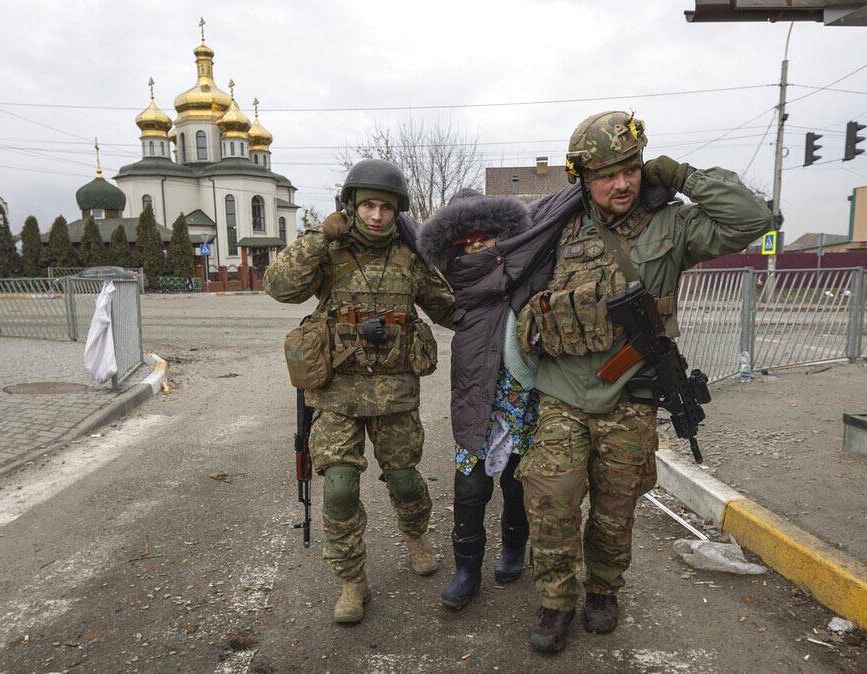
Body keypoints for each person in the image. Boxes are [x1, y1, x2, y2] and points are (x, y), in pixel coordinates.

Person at [515, 111, 775, 653]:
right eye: (607, 173)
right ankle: (555, 600)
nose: (622, 183)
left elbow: (752, 218)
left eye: (631, 169)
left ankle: (604, 590)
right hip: (561, 392)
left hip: (630, 393)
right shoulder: (555, 225)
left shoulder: (672, 225)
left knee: (616, 507)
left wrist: (681, 175)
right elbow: (506, 284)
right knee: (551, 503)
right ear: (583, 178)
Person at [263, 159, 455, 625]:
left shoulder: (410, 257)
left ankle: (415, 536)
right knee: (341, 488)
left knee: (406, 480)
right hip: (337, 395)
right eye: (367, 205)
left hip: (394, 395)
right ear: (350, 206)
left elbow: (450, 308)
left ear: (397, 212)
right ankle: (352, 580)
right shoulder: (329, 252)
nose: (375, 216)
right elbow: (278, 287)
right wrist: (317, 237)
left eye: (385, 208)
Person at [418, 188, 578, 609]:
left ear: (501, 235)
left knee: (515, 483)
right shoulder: (459, 291)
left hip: (523, 403)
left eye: (483, 239)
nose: (475, 249)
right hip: (476, 404)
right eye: (466, 244)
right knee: (470, 490)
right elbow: (406, 234)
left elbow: (550, 212)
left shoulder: (530, 271)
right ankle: (466, 570)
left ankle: (511, 550)